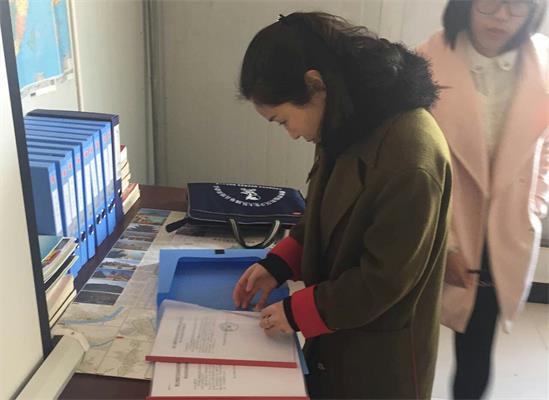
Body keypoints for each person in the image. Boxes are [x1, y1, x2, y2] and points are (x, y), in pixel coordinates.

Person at [232, 12, 452, 399]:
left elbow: (383, 280)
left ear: (314, 84)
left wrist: (298, 312)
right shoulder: (346, 117)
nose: (291, 134)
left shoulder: (410, 157)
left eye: (283, 121)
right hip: (336, 336)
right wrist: (278, 265)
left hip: (380, 357)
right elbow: (323, 215)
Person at [417, 1, 548, 398]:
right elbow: (411, 161)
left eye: (517, 5)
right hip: (435, 223)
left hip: (503, 229)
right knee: (410, 336)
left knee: (476, 347)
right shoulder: (426, 60)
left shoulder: (543, 61)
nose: (502, 17)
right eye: (490, 3)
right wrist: (445, 244)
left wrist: (535, 202)